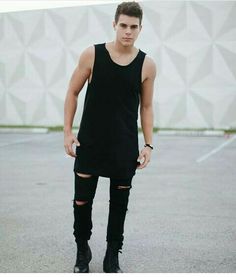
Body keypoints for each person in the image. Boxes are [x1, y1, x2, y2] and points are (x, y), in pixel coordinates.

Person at [64, 1, 156, 273]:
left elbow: (147, 107)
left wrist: (148, 144)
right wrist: (68, 132)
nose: (128, 31)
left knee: (119, 204)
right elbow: (72, 92)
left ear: (140, 29)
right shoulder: (92, 54)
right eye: (123, 25)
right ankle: (82, 249)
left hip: (123, 146)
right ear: (114, 24)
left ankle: (112, 253)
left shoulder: (147, 65)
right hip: (90, 142)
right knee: (82, 200)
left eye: (134, 27)